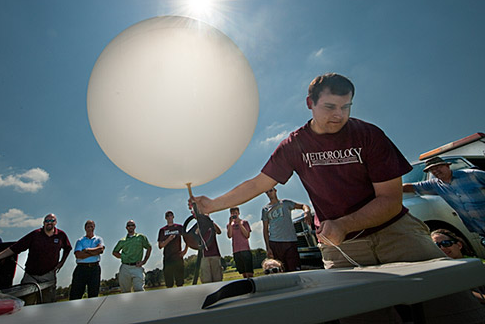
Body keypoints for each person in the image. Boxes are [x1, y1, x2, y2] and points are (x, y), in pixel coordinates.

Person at [190, 73, 485, 322]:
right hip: (343, 249)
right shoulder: (295, 144)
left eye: (346, 107)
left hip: (396, 232)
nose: (339, 115)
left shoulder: (369, 135)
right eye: (330, 106)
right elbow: (258, 183)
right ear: (310, 104)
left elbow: (390, 200)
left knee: (452, 305)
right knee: (360, 313)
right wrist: (212, 205)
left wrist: (342, 224)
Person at [0, 213, 71, 304]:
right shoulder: (35, 234)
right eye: (47, 220)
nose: (49, 222)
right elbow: (14, 248)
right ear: (43, 222)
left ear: (56, 222)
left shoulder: (61, 235)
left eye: (52, 220)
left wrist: (61, 262)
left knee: (47, 304)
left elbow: (68, 249)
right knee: (27, 303)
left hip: (49, 275)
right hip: (31, 276)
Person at [403, 156, 485, 237]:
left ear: (447, 166)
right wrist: (392, 187)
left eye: (438, 167)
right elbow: (411, 187)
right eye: (432, 170)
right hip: (480, 230)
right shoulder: (435, 185)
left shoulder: (473, 174)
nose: (435, 171)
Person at [262, 187, 311, 272]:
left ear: (275, 190)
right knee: (281, 270)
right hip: (275, 242)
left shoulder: (285, 203)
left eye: (270, 191)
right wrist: (268, 247)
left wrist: (307, 211)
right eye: (267, 192)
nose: (269, 193)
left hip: (290, 241)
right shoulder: (265, 209)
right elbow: (265, 230)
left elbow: (303, 206)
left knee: (294, 269)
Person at [431, 229, 485, 304]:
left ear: (459, 245)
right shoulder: (439, 272)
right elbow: (462, 293)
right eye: (437, 246)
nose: (442, 248)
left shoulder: (478, 263)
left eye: (446, 243)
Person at [112, 220, 151, 293]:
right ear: (126, 228)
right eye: (129, 225)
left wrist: (144, 261)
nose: (130, 227)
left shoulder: (141, 237)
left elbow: (149, 247)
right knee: (125, 292)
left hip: (137, 267)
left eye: (132, 225)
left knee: (139, 289)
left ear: (135, 227)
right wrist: (123, 257)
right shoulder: (122, 241)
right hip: (125, 267)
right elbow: (114, 252)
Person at [69, 220, 104, 300]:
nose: (90, 228)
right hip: (81, 269)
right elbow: (78, 255)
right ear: (85, 228)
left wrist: (87, 250)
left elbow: (100, 250)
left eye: (92, 226)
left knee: (93, 294)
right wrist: (94, 252)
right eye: (88, 226)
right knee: (76, 294)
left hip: (94, 269)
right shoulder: (80, 241)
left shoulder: (98, 239)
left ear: (94, 227)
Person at [157, 211, 187, 288]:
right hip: (168, 259)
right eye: (168, 216)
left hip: (178, 258)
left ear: (173, 216)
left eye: (171, 215)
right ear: (165, 218)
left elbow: (187, 238)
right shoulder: (162, 230)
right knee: (169, 284)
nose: (169, 217)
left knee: (180, 283)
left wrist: (185, 250)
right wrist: (168, 240)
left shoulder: (179, 227)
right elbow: (160, 245)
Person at [227, 207, 253, 278]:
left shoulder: (244, 222)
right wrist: (230, 223)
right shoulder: (229, 225)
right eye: (232, 213)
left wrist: (240, 224)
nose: (234, 215)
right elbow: (229, 235)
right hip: (236, 251)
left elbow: (247, 235)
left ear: (238, 213)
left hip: (245, 249)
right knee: (243, 273)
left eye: (235, 213)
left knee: (249, 273)